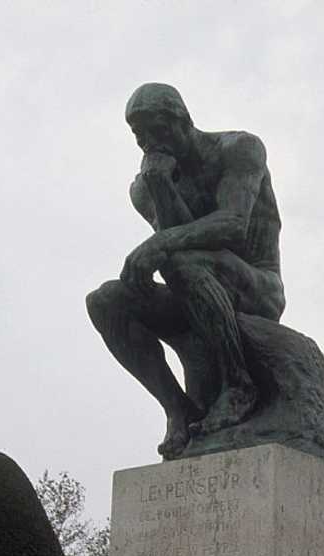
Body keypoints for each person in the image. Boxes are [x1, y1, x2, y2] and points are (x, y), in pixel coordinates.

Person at [87, 83, 285, 458]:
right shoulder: (145, 187)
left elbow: (232, 225)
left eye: (153, 129)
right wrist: (161, 186)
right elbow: (178, 238)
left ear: (181, 119)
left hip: (256, 287)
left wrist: (161, 243)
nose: (146, 142)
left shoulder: (238, 149)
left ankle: (239, 384)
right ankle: (178, 410)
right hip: (193, 288)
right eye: (137, 134)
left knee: (179, 257)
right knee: (105, 301)